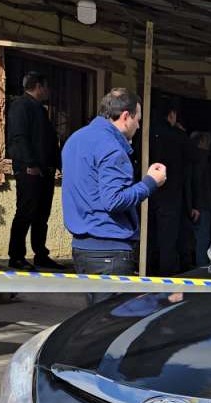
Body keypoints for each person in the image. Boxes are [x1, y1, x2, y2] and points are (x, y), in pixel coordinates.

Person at [61, 87, 166, 305]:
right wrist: (150, 183)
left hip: (82, 248)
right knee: (111, 320)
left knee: (93, 316)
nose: (139, 126)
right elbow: (114, 200)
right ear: (126, 116)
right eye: (138, 119)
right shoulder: (112, 149)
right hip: (109, 250)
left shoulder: (75, 139)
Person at [5, 71, 60, 270]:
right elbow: (19, 137)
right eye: (46, 86)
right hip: (30, 170)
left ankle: (41, 254)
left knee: (41, 215)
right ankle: (16, 256)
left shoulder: (40, 109)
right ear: (38, 86)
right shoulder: (21, 105)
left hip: (45, 170)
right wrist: (30, 164)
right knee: (25, 212)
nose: (48, 91)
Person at [148, 97, 190, 274]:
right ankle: (165, 273)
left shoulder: (147, 133)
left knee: (149, 234)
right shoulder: (178, 136)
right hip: (171, 194)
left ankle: (147, 269)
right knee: (168, 239)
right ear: (172, 114)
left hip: (148, 191)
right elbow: (191, 160)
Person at [187, 131, 211, 266]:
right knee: (202, 240)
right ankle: (200, 269)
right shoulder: (202, 158)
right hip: (202, 205)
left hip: (195, 204)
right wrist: (196, 205)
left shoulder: (191, 158)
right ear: (201, 142)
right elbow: (198, 182)